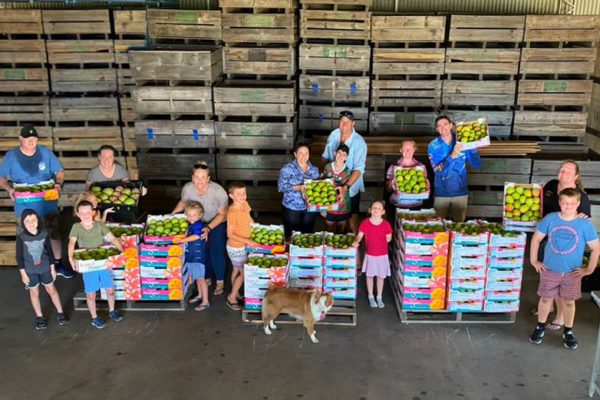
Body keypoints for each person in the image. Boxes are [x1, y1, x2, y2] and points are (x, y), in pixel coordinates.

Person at [529, 188, 600, 350]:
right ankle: (540, 326)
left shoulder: (584, 224)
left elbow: (596, 248)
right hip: (549, 269)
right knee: (546, 298)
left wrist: (589, 269)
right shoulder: (550, 218)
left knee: (569, 302)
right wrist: (534, 260)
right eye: (565, 202)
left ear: (578, 204)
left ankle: (568, 331)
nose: (568, 206)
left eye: (572, 203)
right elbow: (536, 240)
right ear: (559, 203)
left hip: (572, 272)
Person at [0, 124, 73, 278]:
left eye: (34, 138)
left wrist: (58, 184)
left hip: (46, 204)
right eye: (27, 138)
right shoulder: (11, 156)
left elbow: (59, 171)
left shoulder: (44, 152)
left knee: (54, 234)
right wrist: (9, 188)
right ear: (21, 139)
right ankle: (29, 271)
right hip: (24, 207)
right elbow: (1, 177)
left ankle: (58, 265)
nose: (31, 141)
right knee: (26, 239)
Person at [532, 159, 593, 330]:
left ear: (576, 176)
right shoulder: (551, 185)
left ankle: (559, 317)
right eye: (561, 169)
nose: (563, 173)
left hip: (563, 243)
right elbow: (538, 202)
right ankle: (548, 304)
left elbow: (584, 222)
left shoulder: (581, 197)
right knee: (546, 273)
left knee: (560, 280)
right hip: (545, 237)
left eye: (568, 171)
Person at [171, 161, 229, 296]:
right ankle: (206, 276)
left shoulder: (218, 191)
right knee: (203, 251)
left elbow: (223, 214)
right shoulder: (188, 188)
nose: (199, 180)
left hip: (216, 222)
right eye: (197, 177)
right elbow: (183, 201)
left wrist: (208, 228)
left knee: (215, 251)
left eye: (203, 177)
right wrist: (172, 214)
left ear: (208, 179)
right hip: (197, 222)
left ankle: (220, 280)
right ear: (192, 178)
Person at [68, 200, 124, 329]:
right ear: (77, 214)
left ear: (93, 213)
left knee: (109, 290)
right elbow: (71, 243)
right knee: (90, 294)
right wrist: (70, 259)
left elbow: (113, 238)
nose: (85, 215)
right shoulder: (77, 227)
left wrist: (121, 251)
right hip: (88, 266)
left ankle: (112, 310)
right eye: (82, 213)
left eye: (88, 212)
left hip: (102, 263)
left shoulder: (99, 225)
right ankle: (94, 317)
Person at [17, 209, 69, 330]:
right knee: (34, 292)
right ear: (23, 222)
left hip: (45, 268)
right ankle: (39, 317)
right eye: (27, 220)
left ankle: (60, 312)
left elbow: (50, 253)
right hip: (30, 271)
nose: (31, 223)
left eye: (34, 219)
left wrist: (52, 269)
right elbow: (19, 257)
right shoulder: (21, 237)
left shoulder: (44, 234)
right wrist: (23, 274)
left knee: (52, 290)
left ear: (38, 220)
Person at [427, 116, 481, 222]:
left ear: (451, 125)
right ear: (437, 129)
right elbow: (437, 171)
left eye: (445, 124)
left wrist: (473, 148)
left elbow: (476, 164)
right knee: (438, 226)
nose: (443, 128)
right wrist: (452, 155)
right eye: (439, 126)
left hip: (460, 192)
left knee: (459, 226)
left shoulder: (462, 141)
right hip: (441, 192)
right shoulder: (433, 146)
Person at [321, 111, 367, 234]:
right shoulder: (333, 135)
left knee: (350, 223)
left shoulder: (359, 142)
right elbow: (325, 156)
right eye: (342, 121)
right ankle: (332, 249)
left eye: (347, 122)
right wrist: (322, 178)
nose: (344, 124)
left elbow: (359, 169)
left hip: (351, 188)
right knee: (329, 220)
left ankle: (353, 249)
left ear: (353, 123)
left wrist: (346, 187)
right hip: (331, 186)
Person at [352, 200, 392, 309]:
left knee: (380, 277)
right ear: (369, 210)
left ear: (383, 211)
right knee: (369, 276)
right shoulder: (365, 222)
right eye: (374, 208)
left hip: (382, 255)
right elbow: (360, 235)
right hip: (370, 254)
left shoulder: (386, 224)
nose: (376, 210)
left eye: (379, 208)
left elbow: (389, 238)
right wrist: (356, 241)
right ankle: (370, 296)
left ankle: (379, 296)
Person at [225, 181, 258, 311]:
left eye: (244, 193)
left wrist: (256, 227)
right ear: (231, 196)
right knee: (244, 272)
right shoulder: (232, 212)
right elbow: (229, 234)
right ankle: (232, 296)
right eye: (238, 194)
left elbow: (248, 217)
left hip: (243, 244)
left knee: (236, 270)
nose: (242, 196)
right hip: (236, 246)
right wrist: (247, 241)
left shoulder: (244, 204)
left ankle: (236, 292)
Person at [174, 201, 210, 312]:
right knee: (196, 278)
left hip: (197, 257)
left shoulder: (198, 224)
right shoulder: (190, 224)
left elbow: (196, 235)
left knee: (201, 279)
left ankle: (205, 301)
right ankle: (199, 295)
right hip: (191, 256)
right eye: (189, 215)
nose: (191, 217)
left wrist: (183, 240)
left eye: (194, 215)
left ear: (200, 215)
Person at [278, 142, 319, 238]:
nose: (303, 156)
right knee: (291, 236)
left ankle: (305, 253)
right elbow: (281, 186)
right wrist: (299, 187)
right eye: (301, 153)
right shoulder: (287, 168)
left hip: (309, 209)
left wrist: (322, 207)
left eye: (306, 153)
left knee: (307, 236)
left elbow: (317, 190)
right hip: (291, 207)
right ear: (295, 154)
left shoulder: (314, 170)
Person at [386, 140, 428, 209]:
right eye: (405, 148)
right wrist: (391, 184)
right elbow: (387, 188)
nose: (408, 151)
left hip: (416, 204)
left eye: (411, 148)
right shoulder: (393, 166)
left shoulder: (420, 166)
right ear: (400, 150)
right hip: (397, 204)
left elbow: (423, 185)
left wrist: (427, 185)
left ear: (414, 150)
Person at [320, 143, 352, 234]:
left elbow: (344, 190)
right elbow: (323, 188)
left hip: (343, 206)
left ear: (346, 157)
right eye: (339, 153)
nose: (341, 156)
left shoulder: (348, 172)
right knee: (328, 230)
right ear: (334, 153)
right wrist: (323, 207)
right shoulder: (328, 167)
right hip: (329, 206)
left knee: (340, 232)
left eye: (344, 154)